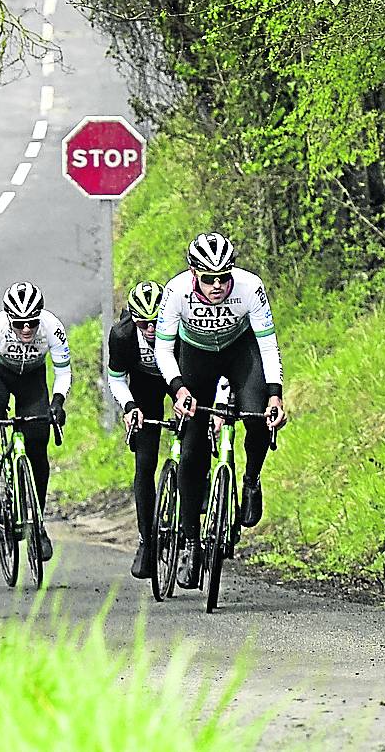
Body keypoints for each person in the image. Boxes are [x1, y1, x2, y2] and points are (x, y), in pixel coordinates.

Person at [154, 232, 287, 589]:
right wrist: (179, 389)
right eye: (209, 278)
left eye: (223, 277)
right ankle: (191, 544)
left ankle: (251, 480)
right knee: (194, 447)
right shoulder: (176, 291)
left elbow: (268, 345)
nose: (217, 285)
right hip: (196, 358)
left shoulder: (249, 287)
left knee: (257, 417)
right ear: (194, 274)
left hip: (239, 352)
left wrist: (275, 395)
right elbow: (163, 351)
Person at [0, 281, 71, 562]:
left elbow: (63, 371)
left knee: (38, 443)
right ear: (8, 319)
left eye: (31, 322)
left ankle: (38, 523)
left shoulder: (52, 327)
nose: (26, 329)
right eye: (19, 324)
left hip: (32, 378)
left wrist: (57, 402)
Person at [107, 280, 170, 580]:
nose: (150, 328)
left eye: (156, 321)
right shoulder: (122, 336)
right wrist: (130, 407)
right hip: (145, 387)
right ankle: (147, 540)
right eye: (143, 322)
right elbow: (117, 379)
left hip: (183, 378)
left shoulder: (181, 327)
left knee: (196, 436)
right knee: (145, 464)